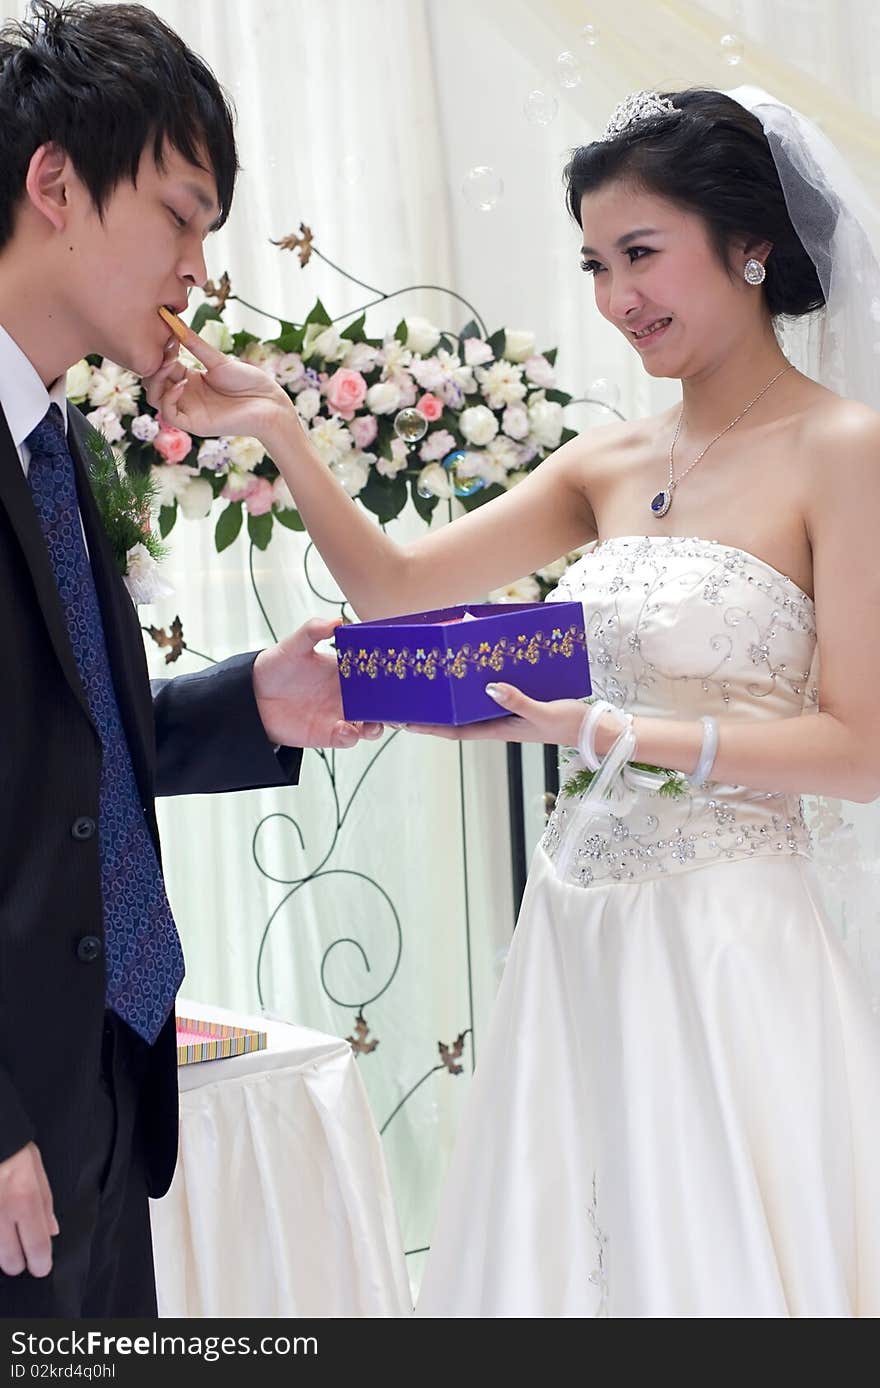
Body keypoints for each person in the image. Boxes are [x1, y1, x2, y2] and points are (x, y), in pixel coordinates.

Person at [150, 87, 880, 1316]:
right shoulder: (607, 461)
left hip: (727, 931)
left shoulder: (841, 448)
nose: (615, 298)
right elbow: (390, 592)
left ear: (750, 242)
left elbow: (859, 748)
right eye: (595, 263)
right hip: (576, 922)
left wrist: (603, 733)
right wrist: (277, 428)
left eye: (640, 254)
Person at [0, 2, 380, 1318]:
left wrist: (250, 706)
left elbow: (50, 748)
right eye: (182, 214)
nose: (202, 268)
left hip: (104, 1076)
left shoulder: (57, 443)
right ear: (55, 184)